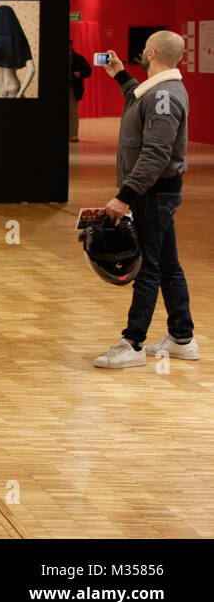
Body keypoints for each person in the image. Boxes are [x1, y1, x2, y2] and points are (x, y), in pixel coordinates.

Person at [93, 32, 196, 369]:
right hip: (156, 194)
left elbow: (155, 154)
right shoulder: (158, 90)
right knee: (167, 264)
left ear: (151, 53)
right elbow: (140, 102)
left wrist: (125, 197)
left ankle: (132, 343)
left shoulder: (164, 94)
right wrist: (121, 75)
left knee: (148, 268)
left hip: (153, 195)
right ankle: (182, 337)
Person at [69, 41, 92, 143]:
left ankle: (73, 135)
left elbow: (88, 70)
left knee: (73, 111)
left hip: (73, 88)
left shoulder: (78, 58)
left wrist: (80, 73)